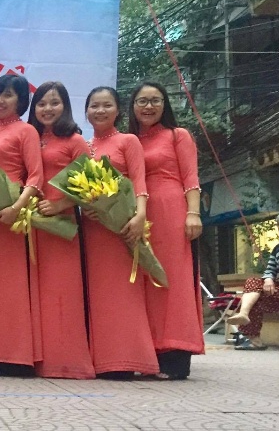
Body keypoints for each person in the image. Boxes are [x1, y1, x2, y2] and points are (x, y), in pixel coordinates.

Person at [81, 86, 158, 379]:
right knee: (97, 293)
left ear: (118, 110)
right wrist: (84, 208)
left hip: (122, 227)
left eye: (106, 105)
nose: (100, 111)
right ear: (86, 111)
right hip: (93, 229)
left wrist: (140, 216)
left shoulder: (128, 141)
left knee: (124, 292)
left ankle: (127, 359)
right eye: (94, 106)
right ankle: (100, 359)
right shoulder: (84, 147)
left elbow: (139, 182)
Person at [129, 81, 204, 380]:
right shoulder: (130, 139)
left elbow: (191, 178)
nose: (148, 106)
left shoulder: (178, 135)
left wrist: (193, 214)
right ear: (132, 106)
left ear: (165, 104)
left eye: (155, 100)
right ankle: (149, 353)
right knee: (144, 283)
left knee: (172, 280)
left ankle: (175, 356)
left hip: (171, 213)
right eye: (142, 101)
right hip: (138, 216)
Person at [0, 74, 44, 376]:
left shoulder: (26, 131)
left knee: (13, 287)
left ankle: (17, 358)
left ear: (21, 100)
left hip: (14, 219)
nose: (0, 100)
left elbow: (36, 176)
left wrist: (16, 208)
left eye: (8, 95)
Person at [28, 82, 95, 379]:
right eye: (41, 103)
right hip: (30, 225)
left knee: (62, 292)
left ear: (65, 106)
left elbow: (92, 187)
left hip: (61, 226)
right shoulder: (31, 138)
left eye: (54, 103)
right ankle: (37, 359)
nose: (47, 109)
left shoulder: (75, 141)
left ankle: (67, 361)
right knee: (37, 293)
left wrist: (60, 205)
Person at [228, 212, 279, 350]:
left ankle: (251, 336)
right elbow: (270, 268)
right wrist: (268, 278)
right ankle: (244, 316)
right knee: (253, 286)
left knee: (254, 297)